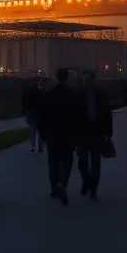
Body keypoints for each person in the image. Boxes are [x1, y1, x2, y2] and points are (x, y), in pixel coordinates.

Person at [38, 68, 82, 205]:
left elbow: (42, 116)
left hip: (52, 135)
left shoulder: (49, 95)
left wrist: (43, 134)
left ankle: (54, 187)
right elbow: (78, 117)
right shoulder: (73, 95)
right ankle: (62, 183)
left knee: (53, 163)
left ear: (56, 78)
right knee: (67, 161)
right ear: (67, 78)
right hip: (68, 135)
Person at [77, 70, 113, 200]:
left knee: (96, 162)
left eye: (87, 80)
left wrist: (109, 132)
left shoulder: (101, 95)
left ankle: (93, 189)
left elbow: (107, 113)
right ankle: (86, 181)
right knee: (82, 162)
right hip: (82, 133)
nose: (85, 82)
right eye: (83, 80)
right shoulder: (79, 94)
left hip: (97, 132)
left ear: (93, 81)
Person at [22, 77, 44, 152]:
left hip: (31, 112)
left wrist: (25, 110)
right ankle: (40, 147)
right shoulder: (41, 91)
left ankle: (32, 146)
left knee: (32, 130)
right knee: (40, 131)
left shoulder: (28, 91)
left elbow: (24, 101)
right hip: (39, 113)